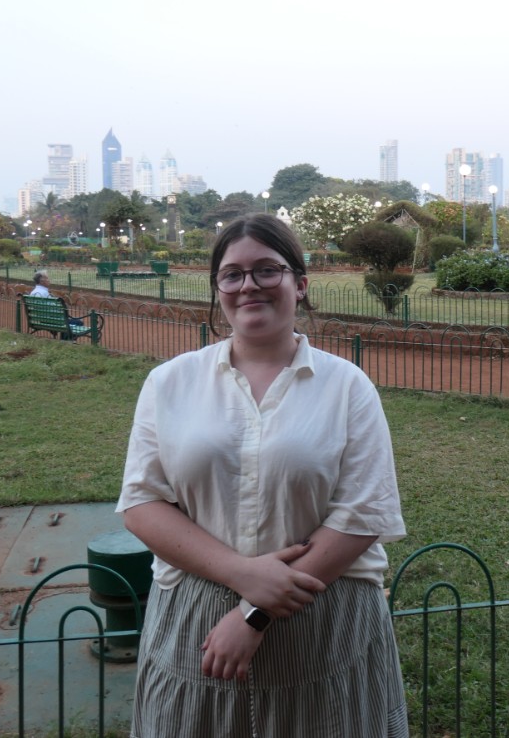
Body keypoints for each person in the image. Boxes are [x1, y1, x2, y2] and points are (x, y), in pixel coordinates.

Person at [118, 213, 408, 737]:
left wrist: (255, 613)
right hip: (197, 616)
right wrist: (242, 574)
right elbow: (142, 503)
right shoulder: (170, 383)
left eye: (266, 270)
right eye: (232, 274)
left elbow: (364, 513)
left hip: (322, 614)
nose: (248, 285)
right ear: (218, 290)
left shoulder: (346, 386)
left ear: (299, 284)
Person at [27, 270, 84, 338]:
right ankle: (66, 341)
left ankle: (65, 339)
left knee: (69, 321)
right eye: (47, 278)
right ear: (41, 281)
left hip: (42, 319)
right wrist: (60, 308)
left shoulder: (33, 292)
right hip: (51, 321)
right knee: (79, 322)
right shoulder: (44, 293)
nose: (49, 280)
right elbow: (53, 309)